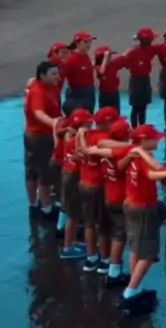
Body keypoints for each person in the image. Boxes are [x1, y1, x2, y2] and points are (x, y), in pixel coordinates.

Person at [118, 125, 166, 314]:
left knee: (135, 248)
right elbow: (152, 174)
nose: (158, 139)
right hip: (143, 208)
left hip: (130, 203)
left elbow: (121, 166)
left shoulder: (132, 153)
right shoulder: (143, 158)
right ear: (144, 140)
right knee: (148, 253)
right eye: (155, 138)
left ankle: (135, 287)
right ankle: (130, 293)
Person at [77, 106, 122, 273]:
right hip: (97, 186)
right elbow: (115, 147)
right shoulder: (102, 138)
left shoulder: (87, 134)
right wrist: (133, 145)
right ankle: (104, 260)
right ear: (108, 123)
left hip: (84, 183)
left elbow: (79, 153)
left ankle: (91, 258)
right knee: (103, 225)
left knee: (89, 223)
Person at [24, 61, 64, 218]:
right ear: (42, 76)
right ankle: (46, 208)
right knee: (43, 172)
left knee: (32, 170)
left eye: (57, 73)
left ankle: (34, 204)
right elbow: (38, 113)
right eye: (53, 74)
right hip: (40, 136)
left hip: (34, 134)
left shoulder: (44, 86)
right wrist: (55, 123)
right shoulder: (38, 91)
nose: (57, 77)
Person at [59, 109, 91, 260]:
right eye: (88, 121)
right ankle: (67, 247)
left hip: (68, 173)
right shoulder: (77, 138)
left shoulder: (68, 135)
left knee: (74, 212)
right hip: (72, 176)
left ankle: (72, 242)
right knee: (72, 214)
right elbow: (80, 154)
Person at [125, 28, 158, 128]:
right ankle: (134, 128)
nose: (152, 41)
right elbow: (125, 63)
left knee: (143, 106)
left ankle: (142, 127)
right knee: (136, 107)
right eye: (150, 39)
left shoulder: (150, 50)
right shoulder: (133, 53)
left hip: (145, 79)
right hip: (136, 80)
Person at [63, 31, 97, 114]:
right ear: (77, 43)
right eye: (85, 42)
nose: (89, 44)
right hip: (78, 95)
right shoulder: (71, 59)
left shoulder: (85, 55)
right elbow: (61, 75)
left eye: (90, 41)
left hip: (89, 93)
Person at [95, 45, 125, 113]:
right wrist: (105, 59)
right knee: (104, 112)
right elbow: (101, 72)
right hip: (104, 94)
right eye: (109, 56)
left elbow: (124, 56)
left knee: (115, 112)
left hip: (114, 93)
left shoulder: (114, 63)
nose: (110, 57)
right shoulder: (98, 66)